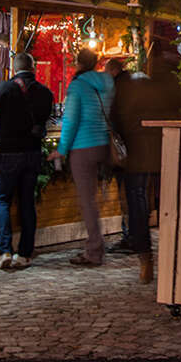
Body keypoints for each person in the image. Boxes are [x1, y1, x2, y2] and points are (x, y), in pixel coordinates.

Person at [112, 50, 181, 283]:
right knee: (172, 205)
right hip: (169, 153)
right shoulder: (175, 87)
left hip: (138, 156)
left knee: (138, 208)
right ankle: (175, 259)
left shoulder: (133, 87)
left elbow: (116, 117)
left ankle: (145, 261)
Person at [0, 52, 53, 270]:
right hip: (32, 153)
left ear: (14, 67)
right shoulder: (45, 93)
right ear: (34, 67)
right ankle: (25, 254)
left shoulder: (5, 89)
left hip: (8, 153)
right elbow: (47, 120)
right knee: (27, 202)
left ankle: (5, 251)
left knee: (1, 201)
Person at [48, 48, 114, 267]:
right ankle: (100, 244)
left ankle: (94, 251)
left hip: (83, 147)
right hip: (103, 144)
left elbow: (71, 120)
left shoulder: (77, 85)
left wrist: (62, 148)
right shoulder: (108, 83)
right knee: (97, 199)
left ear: (78, 63)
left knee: (87, 201)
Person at [104, 58, 133, 254]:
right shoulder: (133, 84)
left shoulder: (117, 89)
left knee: (127, 195)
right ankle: (132, 235)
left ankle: (129, 236)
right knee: (133, 194)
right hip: (135, 148)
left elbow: (114, 118)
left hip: (124, 149)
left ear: (113, 71)